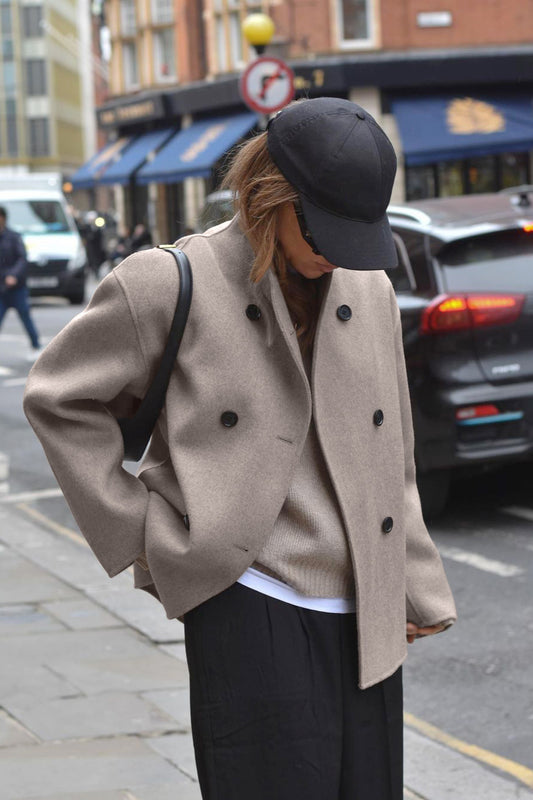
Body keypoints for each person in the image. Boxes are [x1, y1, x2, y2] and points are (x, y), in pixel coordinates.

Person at [23, 98, 456, 800]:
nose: (334, 251)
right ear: (268, 193)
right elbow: (60, 398)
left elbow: (389, 447)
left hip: (364, 614)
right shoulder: (165, 283)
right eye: (323, 227)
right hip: (251, 597)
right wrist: (146, 536)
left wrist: (410, 577)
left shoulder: (366, 286)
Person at [0, 206, 42, 360]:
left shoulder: (13, 237)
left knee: (25, 317)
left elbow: (22, 259)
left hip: (16, 288)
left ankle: (36, 345)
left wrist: (13, 275)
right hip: (1, 289)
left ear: (3, 218)